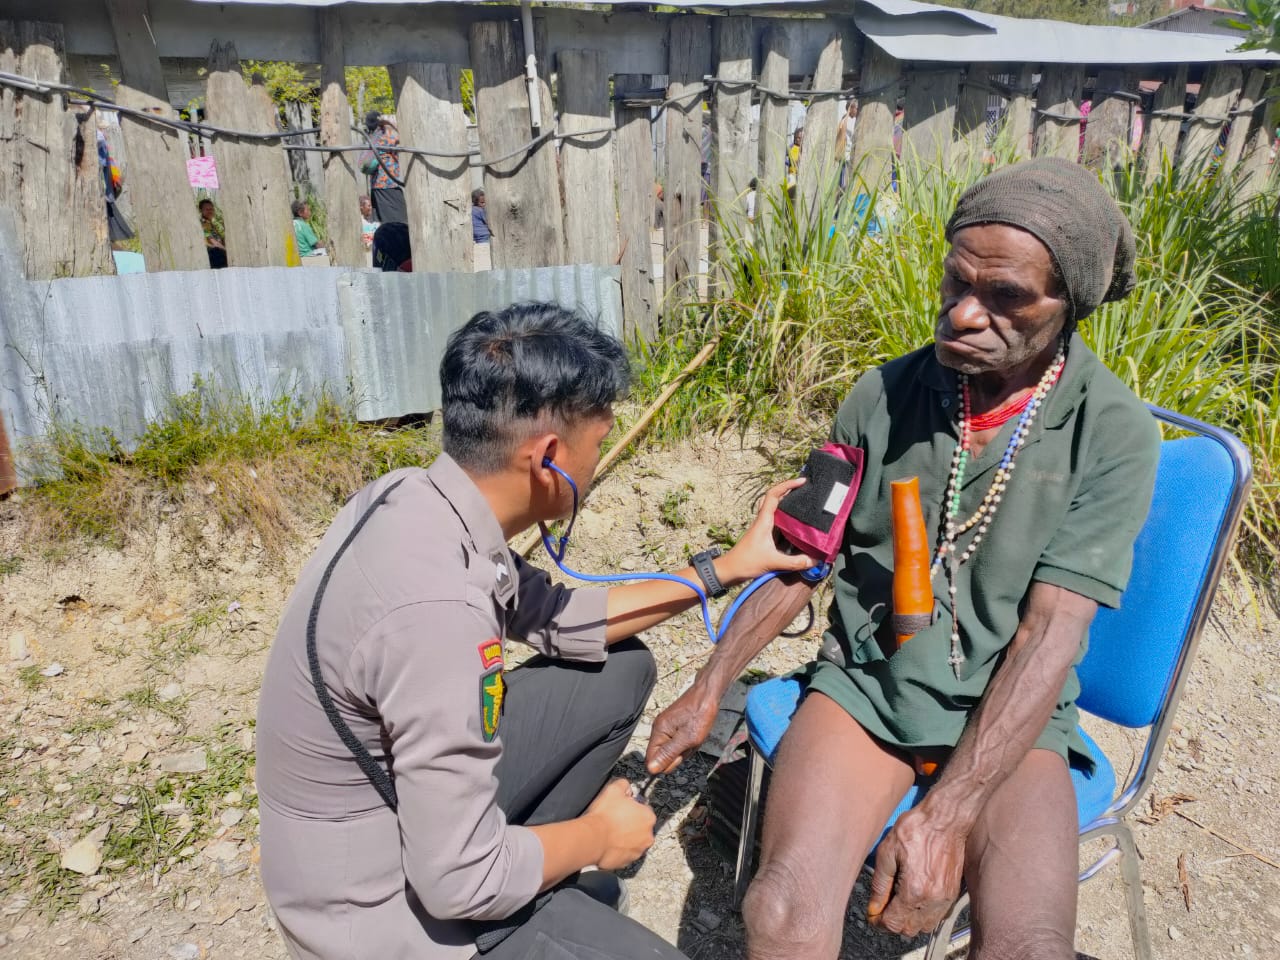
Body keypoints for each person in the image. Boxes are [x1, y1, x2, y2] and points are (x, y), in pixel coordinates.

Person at [645, 158, 1160, 960]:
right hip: (872, 689)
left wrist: (947, 814)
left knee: (1029, 947)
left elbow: (1049, 636)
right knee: (781, 908)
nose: (964, 313)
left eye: (1006, 297)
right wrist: (710, 685)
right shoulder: (881, 396)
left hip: (1012, 716)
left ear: (1071, 305)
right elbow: (801, 558)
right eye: (956, 282)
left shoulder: (1113, 433)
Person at [256, 302, 815, 960]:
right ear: (550, 458)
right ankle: (518, 906)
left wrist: (728, 568)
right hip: (377, 916)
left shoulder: (413, 498)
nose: (598, 462)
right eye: (598, 445)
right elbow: (457, 882)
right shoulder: (438, 615)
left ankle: (535, 881)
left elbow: (563, 618)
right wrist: (597, 837)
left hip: (390, 828)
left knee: (619, 669)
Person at [364, 111, 407, 226]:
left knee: (386, 223)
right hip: (388, 186)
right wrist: (391, 124)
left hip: (377, 187)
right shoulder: (385, 138)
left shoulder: (372, 138)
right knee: (399, 222)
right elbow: (406, 138)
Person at [199, 199, 228, 269]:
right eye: (207, 209)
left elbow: (224, 235)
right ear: (201, 211)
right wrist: (228, 251)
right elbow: (213, 242)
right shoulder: (202, 224)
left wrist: (214, 221)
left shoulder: (215, 222)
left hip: (222, 251)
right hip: (213, 253)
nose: (210, 211)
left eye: (211, 209)